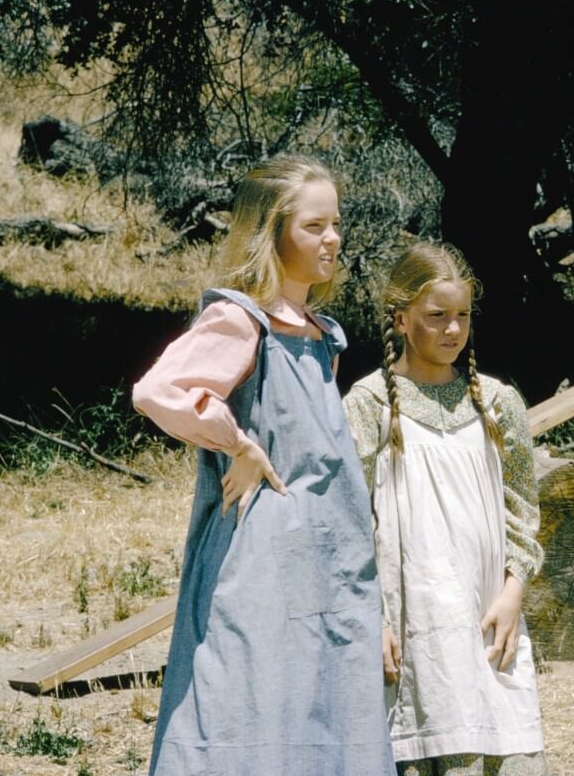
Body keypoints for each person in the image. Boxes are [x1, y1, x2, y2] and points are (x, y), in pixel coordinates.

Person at [133, 154, 393, 775]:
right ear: (272, 232)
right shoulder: (239, 319)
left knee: (321, 697)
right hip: (259, 557)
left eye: (335, 223)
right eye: (313, 226)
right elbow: (159, 391)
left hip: (329, 550)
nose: (332, 238)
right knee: (250, 697)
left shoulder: (319, 334)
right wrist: (236, 442)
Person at [343, 242, 548, 776]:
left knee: (507, 739)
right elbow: (349, 519)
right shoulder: (368, 405)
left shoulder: (498, 402)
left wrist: (513, 591)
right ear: (401, 318)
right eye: (436, 317)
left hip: (487, 612)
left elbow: (522, 510)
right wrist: (373, 618)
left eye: (462, 315)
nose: (452, 330)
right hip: (412, 619)